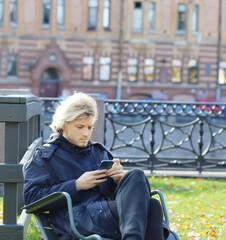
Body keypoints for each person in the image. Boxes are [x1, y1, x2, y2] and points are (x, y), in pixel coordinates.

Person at [23, 92, 166, 240]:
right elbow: (31, 198)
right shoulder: (46, 156)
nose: (86, 133)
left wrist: (118, 181)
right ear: (63, 124)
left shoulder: (99, 152)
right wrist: (77, 185)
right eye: (79, 127)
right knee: (151, 207)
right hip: (77, 219)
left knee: (137, 178)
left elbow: (114, 195)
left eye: (89, 127)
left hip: (104, 213)